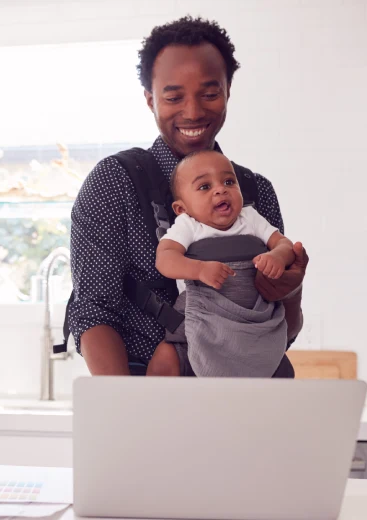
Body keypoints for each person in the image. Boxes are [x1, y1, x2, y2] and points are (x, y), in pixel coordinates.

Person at [67, 16, 309, 376]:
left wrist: (291, 292)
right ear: (150, 100)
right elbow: (94, 311)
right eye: (174, 96)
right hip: (147, 387)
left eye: (210, 94)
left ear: (228, 91)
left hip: (248, 392)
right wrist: (129, 409)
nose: (193, 111)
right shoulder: (113, 182)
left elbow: (282, 330)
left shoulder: (256, 192)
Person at [147, 149, 295, 377]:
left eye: (229, 181)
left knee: (276, 362)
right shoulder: (189, 226)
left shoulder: (250, 218)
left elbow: (285, 245)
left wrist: (277, 256)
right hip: (202, 317)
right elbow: (165, 259)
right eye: (205, 187)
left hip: (252, 322)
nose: (220, 189)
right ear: (182, 208)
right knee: (166, 357)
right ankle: (154, 409)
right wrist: (199, 269)